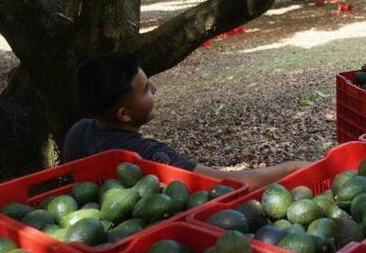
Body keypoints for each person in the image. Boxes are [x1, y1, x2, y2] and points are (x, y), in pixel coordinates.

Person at [62, 52, 308, 190]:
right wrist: (292, 168)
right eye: (146, 89)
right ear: (124, 114)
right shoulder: (145, 155)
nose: (155, 89)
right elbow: (227, 184)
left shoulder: (78, 132)